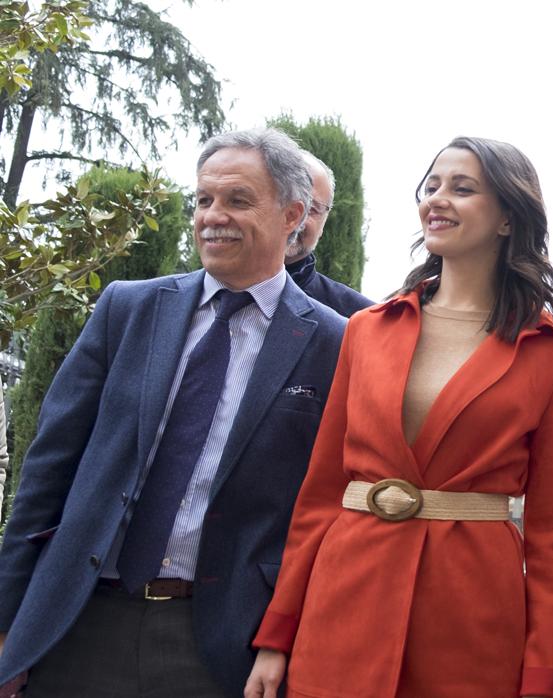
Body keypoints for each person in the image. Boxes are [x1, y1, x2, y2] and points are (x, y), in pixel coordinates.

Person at [0, 128, 347, 696]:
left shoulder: (333, 342)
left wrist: (284, 638)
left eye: (237, 200)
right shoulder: (127, 308)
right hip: (79, 624)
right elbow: (47, 472)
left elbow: (322, 512)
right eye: (204, 199)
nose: (214, 216)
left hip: (217, 643)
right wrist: (9, 619)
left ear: (292, 215)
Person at [245, 136, 553, 698]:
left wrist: (544, 678)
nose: (438, 200)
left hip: (471, 619)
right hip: (345, 604)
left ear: (508, 218)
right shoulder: (367, 330)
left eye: (463, 188)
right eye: (431, 186)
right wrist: (277, 635)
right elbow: (321, 494)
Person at [283, 150, 373, 317]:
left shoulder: (355, 317)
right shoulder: (221, 285)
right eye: (285, 200)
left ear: (323, 223)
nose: (296, 218)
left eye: (311, 209)